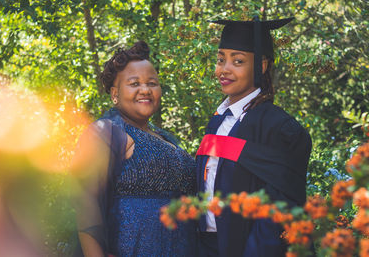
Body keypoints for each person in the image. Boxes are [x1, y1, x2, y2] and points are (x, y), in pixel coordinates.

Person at [195, 17, 312, 257]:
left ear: (261, 66)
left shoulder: (279, 128)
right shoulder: (218, 121)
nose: (224, 69)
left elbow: (276, 215)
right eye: (220, 60)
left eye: (237, 61)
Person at [71, 41, 197, 256]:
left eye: (152, 83)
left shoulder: (166, 139)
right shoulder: (106, 132)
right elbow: (85, 206)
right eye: (134, 83)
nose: (145, 90)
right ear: (115, 93)